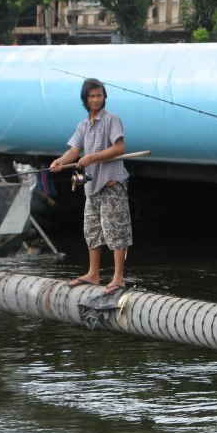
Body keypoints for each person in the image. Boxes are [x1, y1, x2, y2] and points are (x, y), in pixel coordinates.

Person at [50, 78, 132, 294]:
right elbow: (74, 151)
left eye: (100, 95)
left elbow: (119, 148)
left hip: (111, 182)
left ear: (104, 97)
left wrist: (92, 158)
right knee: (92, 230)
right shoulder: (83, 125)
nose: (96, 99)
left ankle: (118, 278)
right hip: (92, 185)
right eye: (92, 96)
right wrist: (60, 161)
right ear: (85, 99)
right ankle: (93, 274)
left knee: (116, 229)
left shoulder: (112, 120)